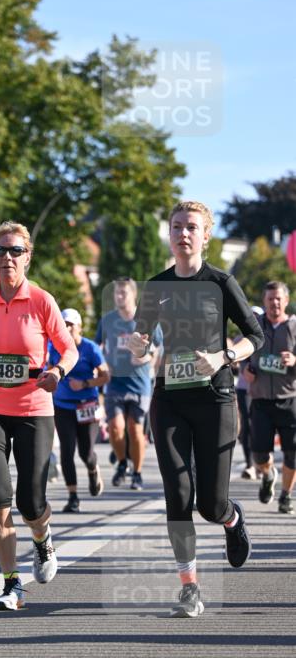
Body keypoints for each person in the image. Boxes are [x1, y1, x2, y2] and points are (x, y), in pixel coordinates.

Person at [129, 201, 264, 618]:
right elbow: (141, 336)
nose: (183, 233)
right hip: (169, 398)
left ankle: (230, 518)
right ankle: (189, 586)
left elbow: (254, 335)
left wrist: (223, 355)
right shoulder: (156, 286)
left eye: (191, 227)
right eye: (176, 227)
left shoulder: (221, 282)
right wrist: (138, 346)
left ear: (206, 235)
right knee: (178, 494)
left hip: (216, 398)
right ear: (168, 235)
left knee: (209, 503)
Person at [0, 221, 77, 611]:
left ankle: (42, 539)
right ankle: (11, 584)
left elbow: (68, 349)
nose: (8, 257)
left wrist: (57, 371)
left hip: (33, 410)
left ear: (28, 256)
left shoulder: (41, 300)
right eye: (1, 251)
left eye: (16, 251)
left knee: (30, 501)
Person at [96, 277, 161, 491]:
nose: (119, 297)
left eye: (123, 293)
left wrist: (147, 358)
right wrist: (102, 365)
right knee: (116, 428)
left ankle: (137, 473)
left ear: (134, 295)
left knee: (135, 429)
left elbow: (158, 347)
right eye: (116, 293)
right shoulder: (107, 320)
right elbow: (99, 346)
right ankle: (123, 463)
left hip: (139, 382)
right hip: (115, 382)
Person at [49, 308, 110, 513]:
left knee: (86, 452)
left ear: (79, 327)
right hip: (63, 405)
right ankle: (73, 496)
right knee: (67, 450)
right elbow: (47, 367)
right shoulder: (54, 347)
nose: (66, 328)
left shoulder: (90, 348)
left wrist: (84, 383)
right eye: (63, 324)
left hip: (87, 405)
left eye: (70, 324)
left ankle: (93, 469)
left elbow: (105, 376)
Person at [246, 281, 296, 514]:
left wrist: (294, 361)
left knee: (292, 453)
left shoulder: (294, 326)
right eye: (270, 299)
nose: (274, 303)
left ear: (286, 301)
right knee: (259, 454)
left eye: (278, 299)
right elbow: (243, 352)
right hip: (261, 400)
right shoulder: (255, 326)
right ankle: (268, 475)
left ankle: (285, 496)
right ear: (264, 301)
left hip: (290, 399)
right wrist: (246, 367)